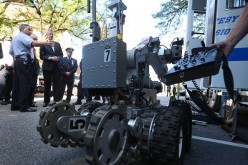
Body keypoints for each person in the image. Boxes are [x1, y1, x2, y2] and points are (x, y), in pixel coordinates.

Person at [9, 24, 53, 112]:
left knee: (17, 84)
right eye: (28, 29)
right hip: (24, 62)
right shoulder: (23, 36)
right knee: (24, 83)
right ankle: (24, 106)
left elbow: (11, 52)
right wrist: (47, 43)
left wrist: (18, 57)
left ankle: (15, 105)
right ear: (23, 29)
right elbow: (33, 43)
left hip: (17, 61)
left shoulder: (15, 38)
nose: (30, 30)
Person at [40, 29, 63, 107]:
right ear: (47, 35)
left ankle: (56, 100)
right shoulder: (43, 44)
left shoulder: (57, 44)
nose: (51, 35)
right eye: (49, 34)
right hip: (47, 67)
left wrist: (58, 57)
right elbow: (42, 56)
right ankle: (46, 101)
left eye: (52, 34)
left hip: (56, 67)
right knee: (47, 85)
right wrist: (50, 58)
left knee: (57, 84)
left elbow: (61, 54)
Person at [27, 34, 40, 107]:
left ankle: (30, 102)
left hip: (34, 70)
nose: (35, 41)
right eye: (34, 39)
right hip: (29, 70)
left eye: (36, 39)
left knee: (33, 87)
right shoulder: (27, 48)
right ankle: (27, 103)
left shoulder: (33, 49)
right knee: (29, 86)